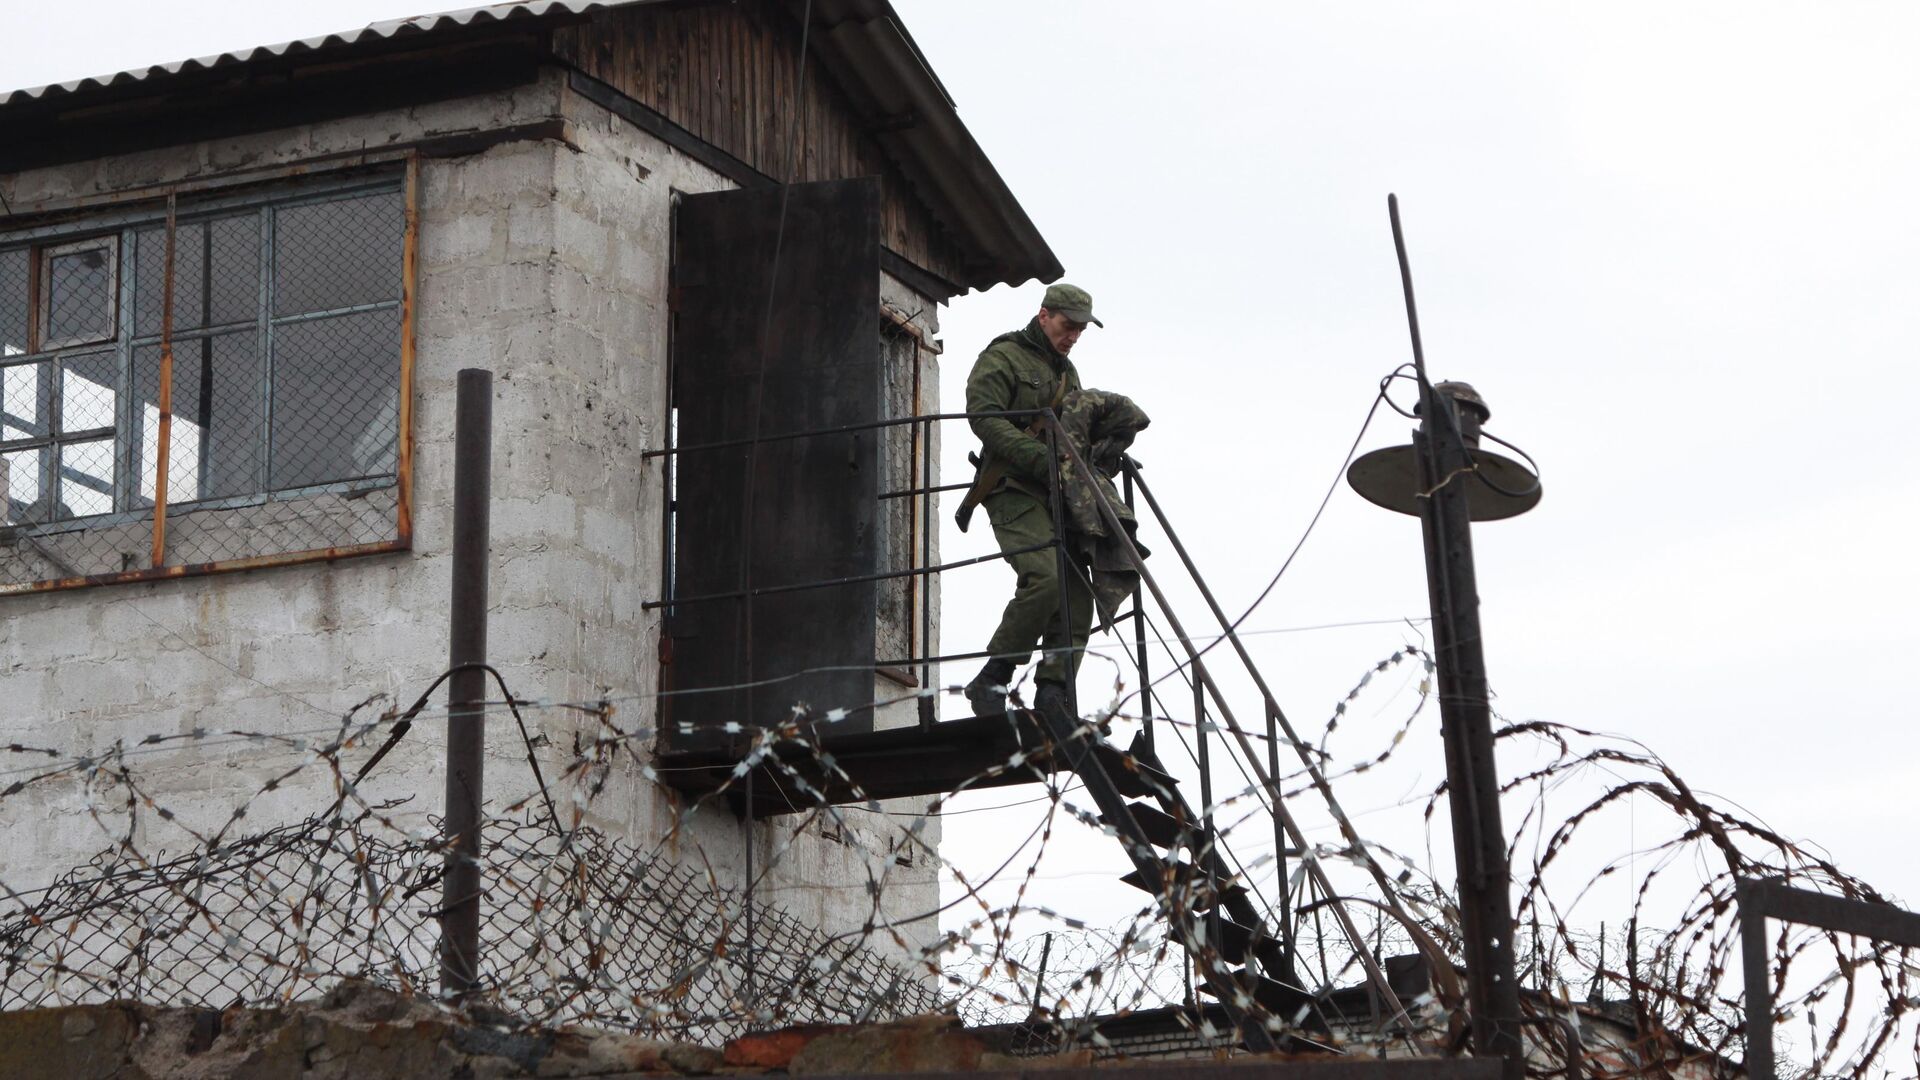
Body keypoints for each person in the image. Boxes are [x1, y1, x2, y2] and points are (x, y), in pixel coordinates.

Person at [958, 282, 1104, 720]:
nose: (1073, 335)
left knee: (1078, 593)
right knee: (1044, 576)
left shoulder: (1067, 374)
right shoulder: (1003, 357)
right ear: (1044, 316)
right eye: (1067, 325)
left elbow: (1075, 429)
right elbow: (983, 416)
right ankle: (995, 676)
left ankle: (1054, 692)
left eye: (1081, 329)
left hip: (1058, 497)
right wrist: (1039, 460)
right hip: (1011, 489)